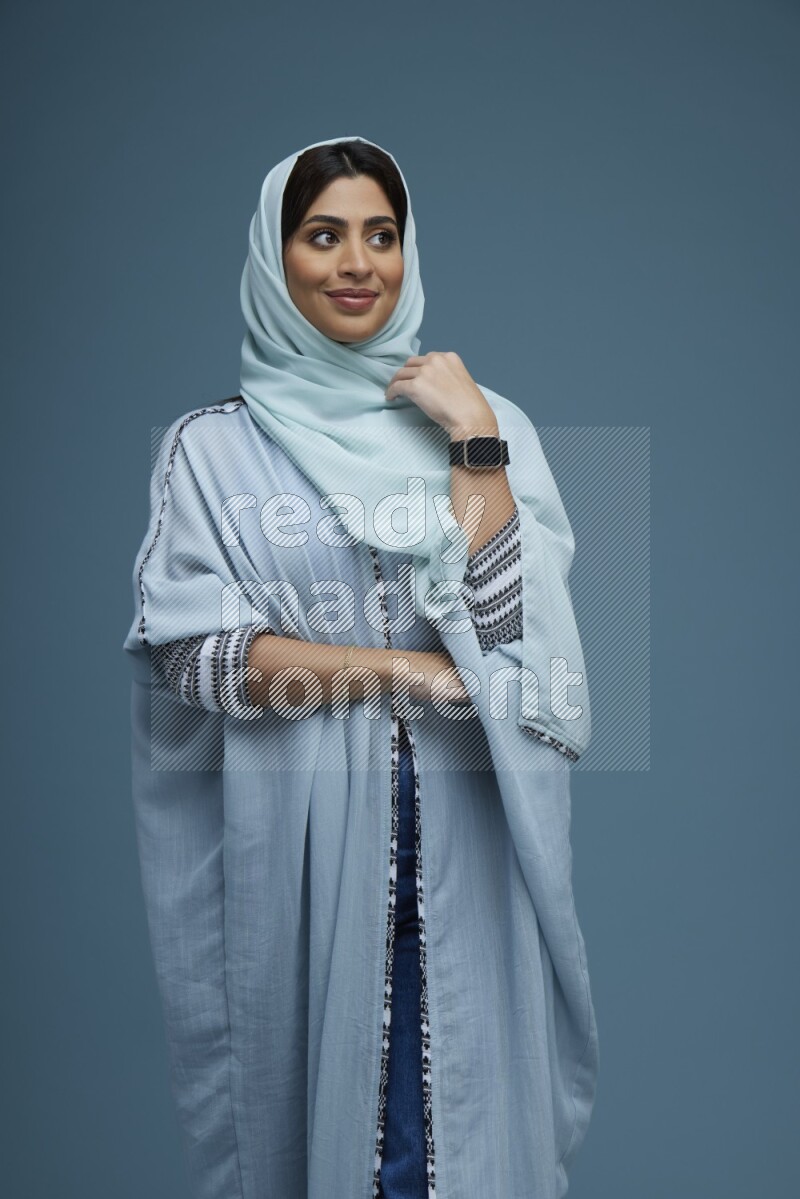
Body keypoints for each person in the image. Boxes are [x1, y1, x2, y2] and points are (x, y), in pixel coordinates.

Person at [123, 135, 598, 1199]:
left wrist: (473, 438)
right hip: (298, 854)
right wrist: (401, 671)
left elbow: (515, 632)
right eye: (321, 234)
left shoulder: (486, 422)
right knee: (333, 1145)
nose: (356, 264)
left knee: (460, 1144)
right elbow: (196, 658)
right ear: (273, 256)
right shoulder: (215, 449)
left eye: (380, 235)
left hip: (473, 850)